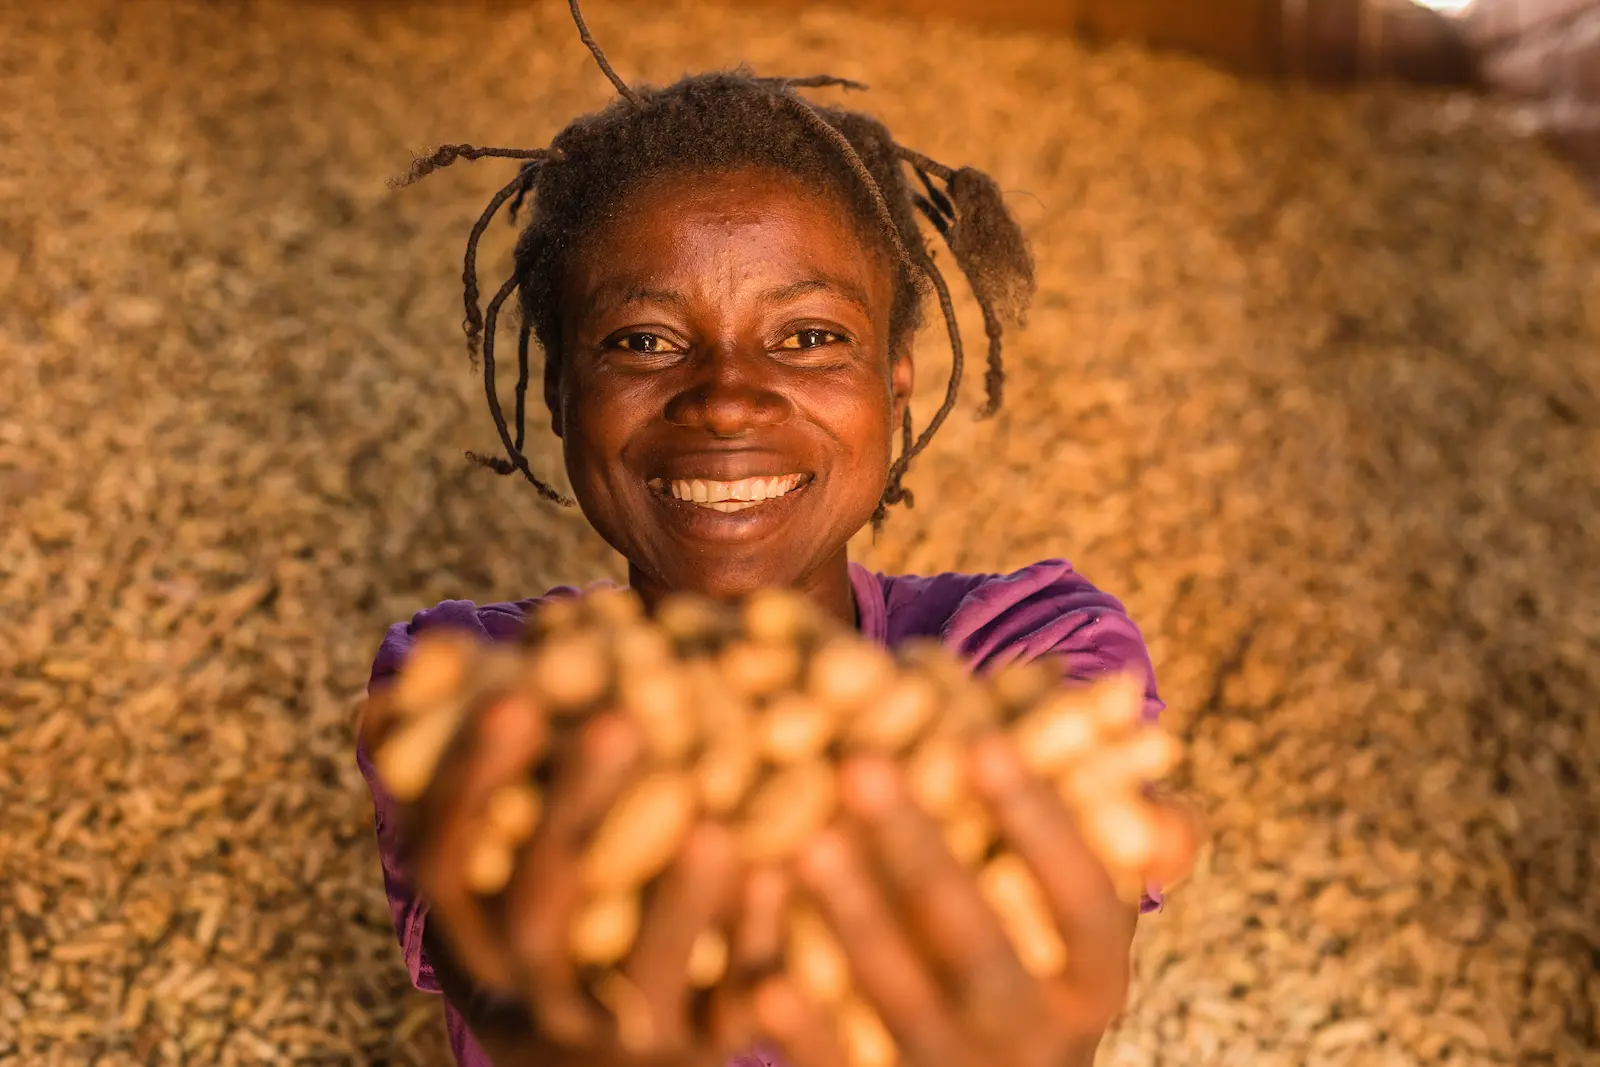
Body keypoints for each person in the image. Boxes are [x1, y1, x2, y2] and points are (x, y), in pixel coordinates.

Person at [355, 3, 1199, 1065]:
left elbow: (1053, 971)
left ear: (893, 387)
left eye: (808, 336)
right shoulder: (469, 681)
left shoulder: (1029, 652)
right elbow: (511, 997)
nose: (726, 398)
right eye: (642, 339)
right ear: (561, 392)